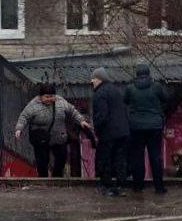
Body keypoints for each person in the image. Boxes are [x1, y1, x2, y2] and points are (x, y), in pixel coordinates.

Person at [14, 82, 95, 178]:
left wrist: (81, 121)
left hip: (59, 137)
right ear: (40, 97)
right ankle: (43, 180)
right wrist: (19, 129)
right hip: (41, 138)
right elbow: (24, 117)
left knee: (61, 158)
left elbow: (72, 111)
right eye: (46, 97)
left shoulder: (61, 102)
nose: (49, 99)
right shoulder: (33, 105)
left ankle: (57, 179)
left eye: (51, 96)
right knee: (42, 161)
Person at [124, 63, 168, 194]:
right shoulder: (157, 87)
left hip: (136, 126)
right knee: (155, 156)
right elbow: (165, 99)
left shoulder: (130, 88)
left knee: (137, 156)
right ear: (148, 73)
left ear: (136, 74)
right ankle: (159, 187)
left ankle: (138, 186)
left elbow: (125, 101)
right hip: (155, 126)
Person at [91, 67, 130, 196]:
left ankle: (107, 187)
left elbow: (101, 115)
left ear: (100, 79)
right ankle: (121, 186)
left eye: (94, 79)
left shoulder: (100, 93)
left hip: (108, 133)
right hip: (122, 131)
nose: (92, 82)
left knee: (105, 159)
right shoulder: (116, 90)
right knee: (120, 159)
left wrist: (96, 129)